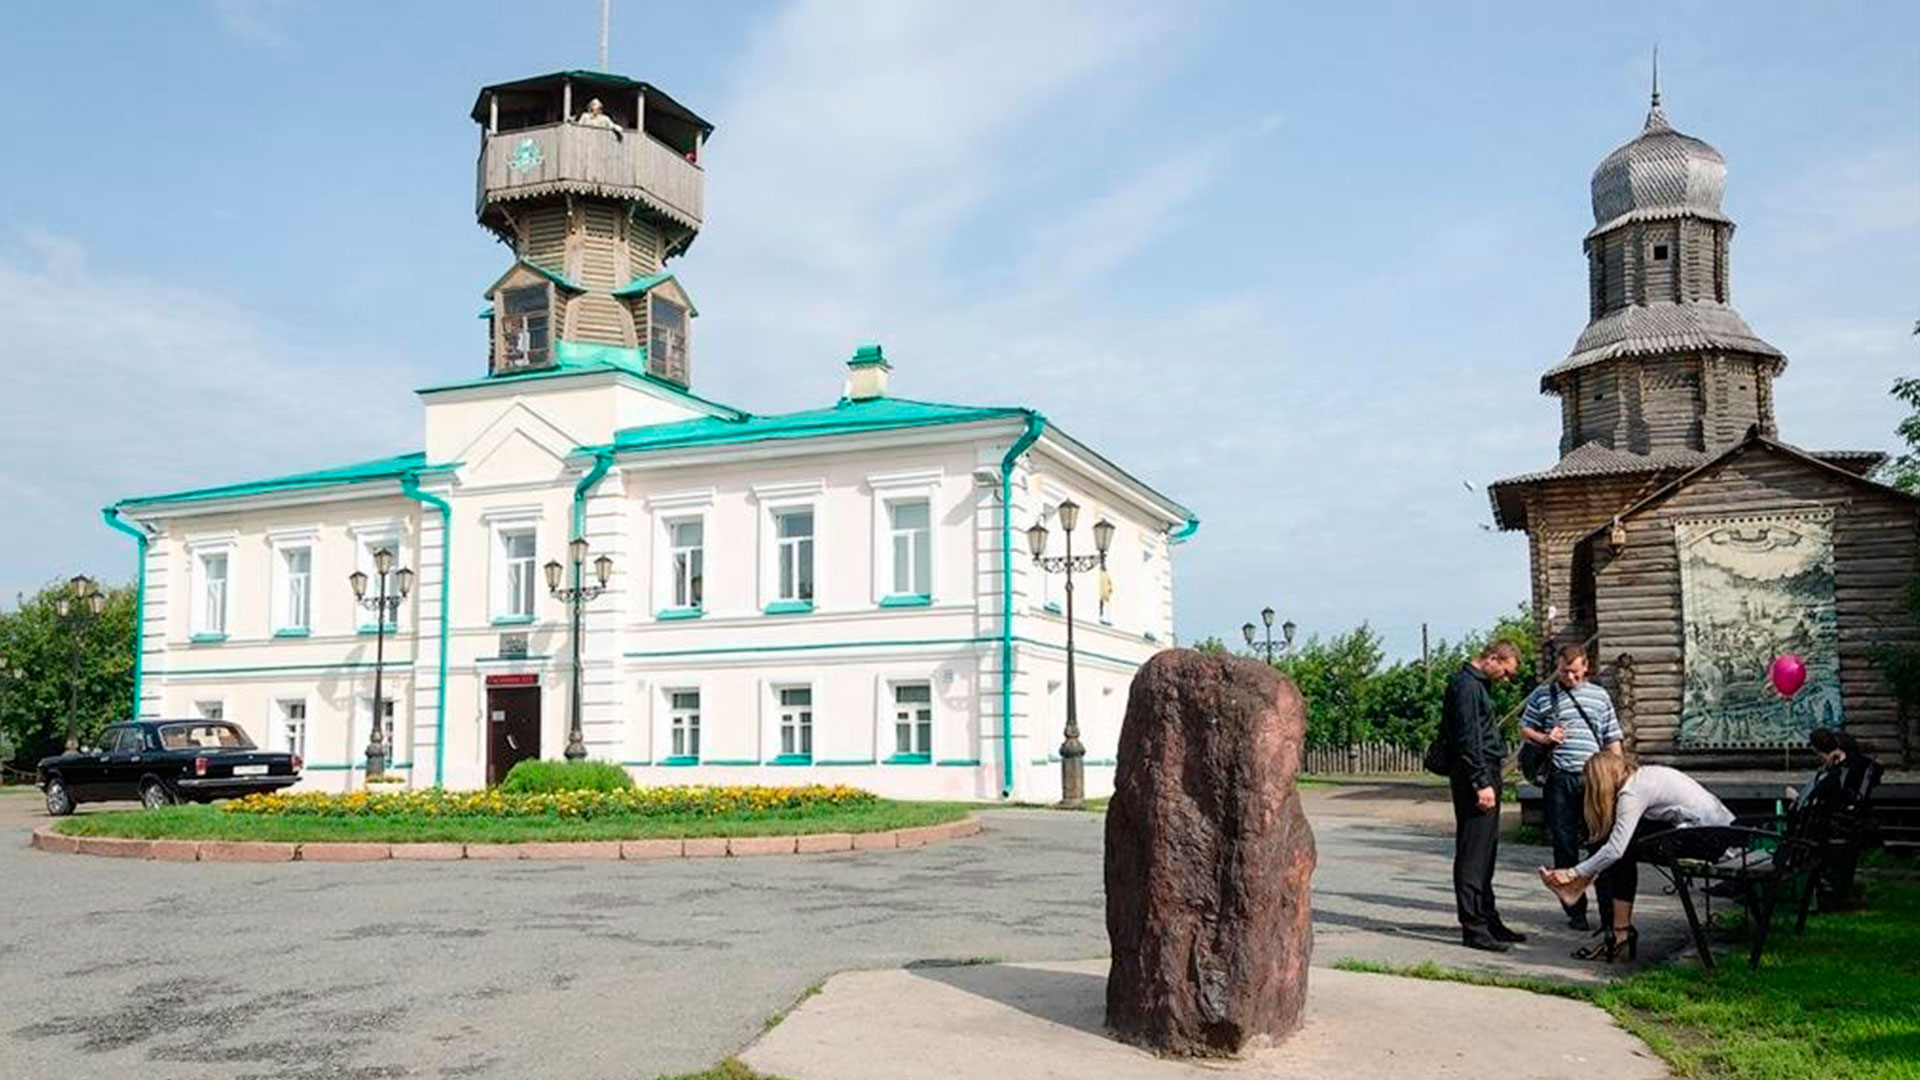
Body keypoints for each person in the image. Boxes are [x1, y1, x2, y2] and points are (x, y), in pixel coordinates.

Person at [1539, 755, 1733, 961]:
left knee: (1620, 848)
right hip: (1723, 834)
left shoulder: (1632, 792)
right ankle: (1616, 926)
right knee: (1621, 845)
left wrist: (1572, 872)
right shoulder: (1643, 776)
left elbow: (1615, 850)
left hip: (1715, 843)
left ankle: (1613, 924)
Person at [1518, 643, 1623, 930]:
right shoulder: (1544, 694)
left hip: (1595, 780)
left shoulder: (1600, 697)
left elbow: (1612, 739)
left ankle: (1608, 915)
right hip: (1560, 778)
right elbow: (1525, 728)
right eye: (1565, 672)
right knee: (1564, 845)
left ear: (1586, 667)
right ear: (1558, 668)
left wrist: (1619, 777)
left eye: (1575, 672)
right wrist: (1544, 738)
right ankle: (1575, 912)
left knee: (1599, 844)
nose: (1570, 678)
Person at [1441, 638, 1524, 952]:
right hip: (1475, 775)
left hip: (1486, 771)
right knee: (1473, 853)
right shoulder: (1465, 686)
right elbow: (1467, 738)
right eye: (1504, 671)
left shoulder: (1478, 686)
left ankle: (1489, 919)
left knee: (1486, 851)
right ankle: (1474, 927)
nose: (1504, 679)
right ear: (1491, 658)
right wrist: (1480, 781)